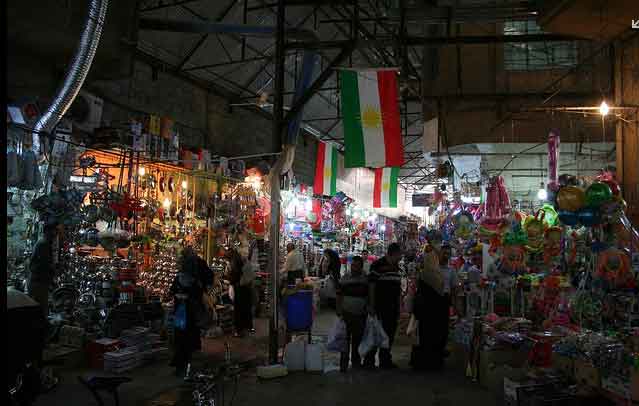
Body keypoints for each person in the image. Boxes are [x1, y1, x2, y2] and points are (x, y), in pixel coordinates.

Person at [411, 242, 458, 371]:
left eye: (449, 253)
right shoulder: (430, 268)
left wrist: (454, 306)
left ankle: (437, 360)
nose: (446, 255)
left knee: (441, 332)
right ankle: (426, 360)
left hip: (443, 303)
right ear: (438, 253)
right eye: (444, 252)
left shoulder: (451, 270)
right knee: (427, 331)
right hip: (429, 304)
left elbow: (454, 289)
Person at [363, 243, 403, 369]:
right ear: (394, 253)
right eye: (400, 254)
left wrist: (399, 306)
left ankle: (385, 360)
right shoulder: (378, 265)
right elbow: (372, 286)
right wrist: (372, 305)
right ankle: (369, 361)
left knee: (389, 334)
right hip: (380, 306)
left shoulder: (396, 267)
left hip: (392, 307)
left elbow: (397, 289)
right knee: (376, 334)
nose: (401, 256)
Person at [169, 248, 205, 376]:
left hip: (181, 312)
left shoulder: (179, 278)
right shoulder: (195, 281)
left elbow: (172, 292)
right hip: (189, 313)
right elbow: (198, 295)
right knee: (187, 337)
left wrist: (179, 296)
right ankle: (185, 362)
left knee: (180, 337)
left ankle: (180, 362)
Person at [336, 256, 369, 372]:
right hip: (346, 314)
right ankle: (343, 364)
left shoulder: (366, 279)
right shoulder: (345, 278)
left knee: (357, 340)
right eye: (353, 265)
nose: (354, 268)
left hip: (360, 315)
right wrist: (338, 310)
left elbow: (369, 295)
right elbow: (339, 294)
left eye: (357, 266)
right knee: (344, 340)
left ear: (361, 266)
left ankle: (356, 363)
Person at [28, 223, 61, 317]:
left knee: (39, 307)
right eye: (54, 231)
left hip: (38, 281)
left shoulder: (43, 242)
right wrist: (54, 272)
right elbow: (45, 263)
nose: (55, 234)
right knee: (40, 309)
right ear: (47, 231)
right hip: (38, 282)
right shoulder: (43, 244)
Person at [226, 249, 256, 337]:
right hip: (246, 287)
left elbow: (235, 275)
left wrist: (230, 280)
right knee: (246, 307)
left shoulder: (235, 262)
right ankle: (247, 326)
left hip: (240, 287)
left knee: (238, 309)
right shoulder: (242, 260)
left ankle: (239, 330)